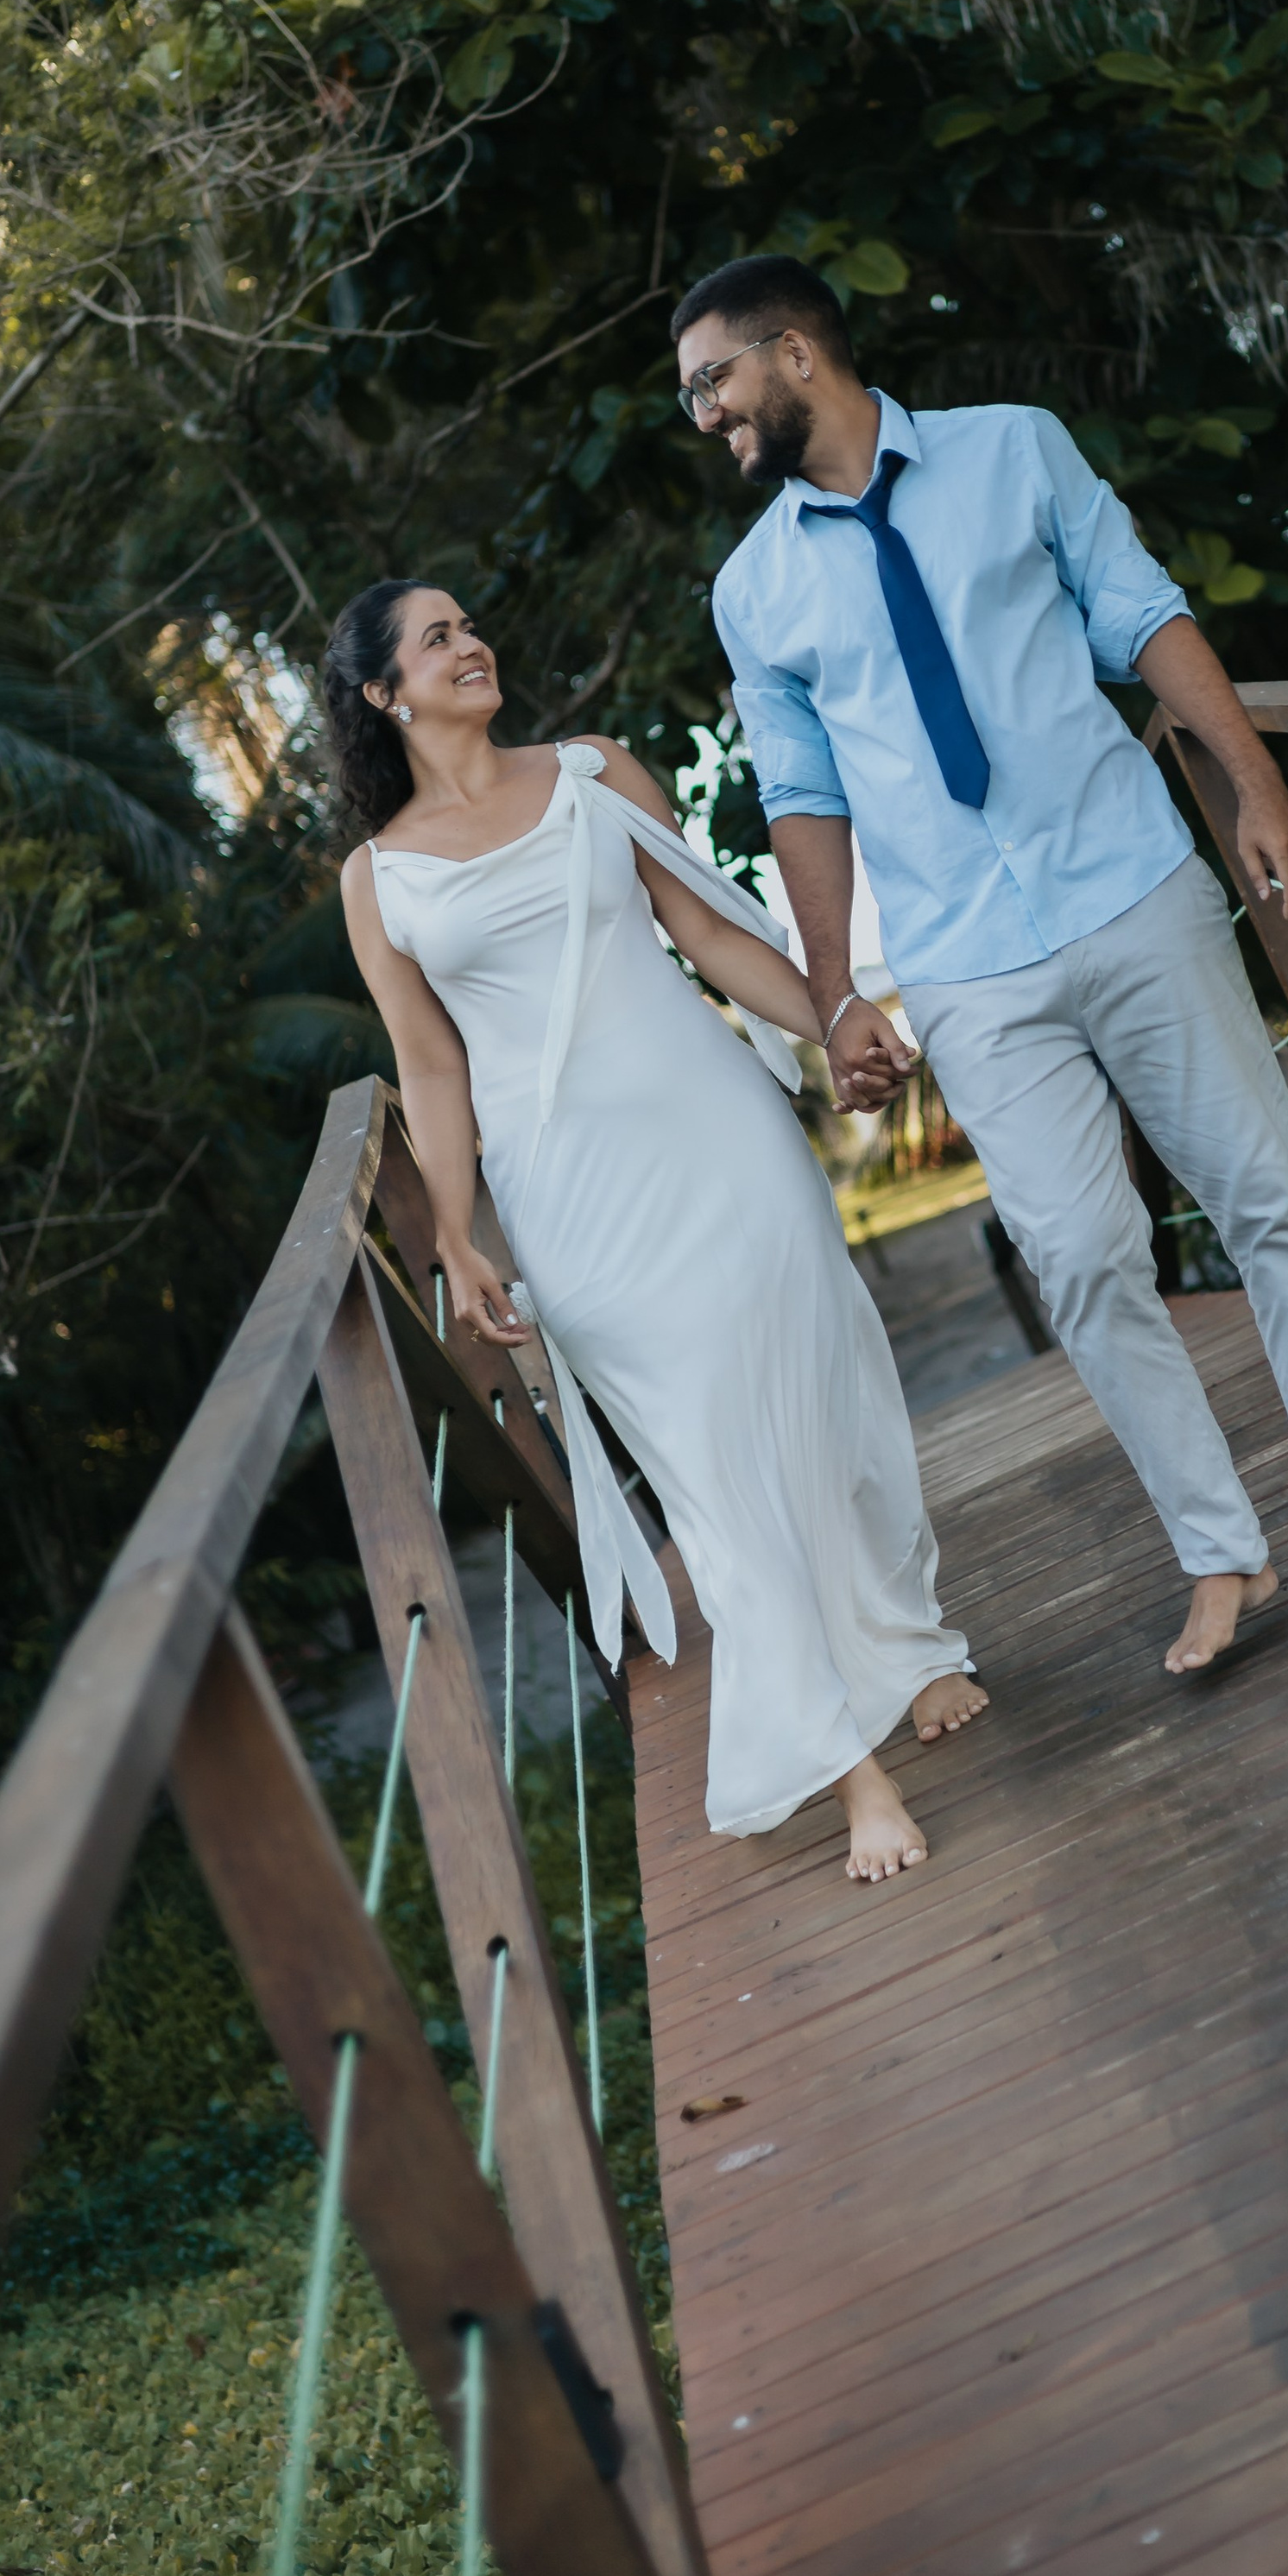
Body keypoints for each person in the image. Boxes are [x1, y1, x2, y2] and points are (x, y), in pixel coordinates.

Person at [685, 254, 1288, 1676]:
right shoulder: (754, 591)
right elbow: (802, 795)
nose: (701, 413)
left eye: (712, 379)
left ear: (795, 354)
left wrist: (1254, 789)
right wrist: (842, 986)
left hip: (1135, 887)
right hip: (968, 964)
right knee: (1082, 1257)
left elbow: (1145, 616)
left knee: (1265, 1199)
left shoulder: (1012, 448)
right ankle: (1221, 1553)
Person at [329, 578, 986, 1879]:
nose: (473, 645)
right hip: (576, 1194)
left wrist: (831, 1016)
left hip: (721, 1133)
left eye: (473, 624)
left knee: (820, 1384)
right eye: (438, 638)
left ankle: (904, 1650)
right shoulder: (377, 879)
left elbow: (704, 932)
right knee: (704, 1457)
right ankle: (848, 1767)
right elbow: (433, 1069)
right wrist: (456, 1237)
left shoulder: (596, 773)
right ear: (382, 694)